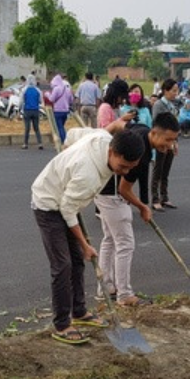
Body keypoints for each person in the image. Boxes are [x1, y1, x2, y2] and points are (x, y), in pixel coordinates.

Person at [31, 124, 144, 345]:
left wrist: (66, 151)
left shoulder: (102, 137)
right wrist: (85, 244)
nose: (125, 172)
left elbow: (74, 133)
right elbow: (67, 210)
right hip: (48, 203)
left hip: (67, 201)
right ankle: (62, 324)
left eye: (131, 168)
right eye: (122, 166)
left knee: (77, 262)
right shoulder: (88, 175)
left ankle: (79, 311)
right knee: (62, 265)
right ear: (112, 152)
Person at [95, 113, 180, 306]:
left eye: (173, 141)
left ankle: (105, 288)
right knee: (125, 243)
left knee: (110, 239)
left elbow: (121, 124)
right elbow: (123, 189)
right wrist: (142, 207)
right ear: (154, 133)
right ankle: (124, 294)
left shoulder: (140, 130)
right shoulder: (139, 156)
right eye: (167, 140)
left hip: (100, 187)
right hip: (111, 194)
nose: (169, 145)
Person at [151, 79, 180, 212]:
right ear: (165, 91)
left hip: (171, 143)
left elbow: (175, 126)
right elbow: (158, 126)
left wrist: (175, 142)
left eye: (176, 90)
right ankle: (155, 199)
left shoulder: (172, 105)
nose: (176, 93)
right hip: (162, 142)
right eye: (173, 90)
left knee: (166, 171)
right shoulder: (159, 105)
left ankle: (165, 197)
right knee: (158, 170)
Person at [47, 74, 74, 144]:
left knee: (59, 127)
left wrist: (47, 94)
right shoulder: (67, 89)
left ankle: (64, 141)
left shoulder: (56, 89)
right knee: (61, 126)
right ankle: (62, 140)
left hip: (58, 111)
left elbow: (51, 99)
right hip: (66, 111)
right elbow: (71, 100)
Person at [21, 78, 43, 150]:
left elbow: (21, 101)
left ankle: (25, 144)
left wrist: (19, 109)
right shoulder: (38, 90)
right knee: (36, 128)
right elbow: (40, 101)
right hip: (35, 110)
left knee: (27, 128)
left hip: (27, 110)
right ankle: (40, 143)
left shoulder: (24, 90)